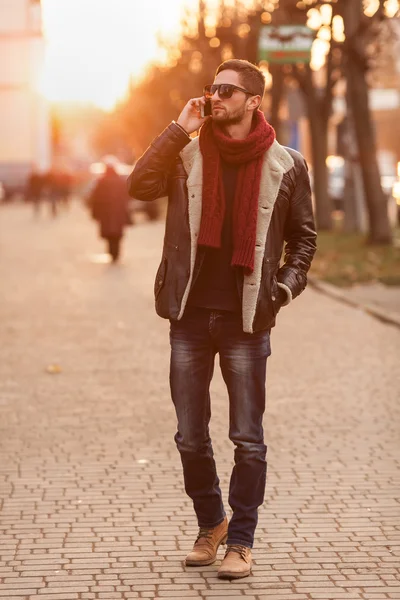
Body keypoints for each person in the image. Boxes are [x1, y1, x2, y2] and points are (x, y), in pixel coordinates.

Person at [127, 59, 317, 579]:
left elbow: (304, 239)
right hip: (189, 316)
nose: (216, 97)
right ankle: (210, 524)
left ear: (254, 101)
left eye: (228, 90)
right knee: (190, 435)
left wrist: (283, 288)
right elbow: (139, 186)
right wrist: (176, 128)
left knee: (247, 437)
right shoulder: (187, 155)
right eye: (212, 88)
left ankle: (241, 541)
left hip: (246, 321)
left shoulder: (288, 163)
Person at [89, 156, 132, 263]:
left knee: (110, 234)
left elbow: (95, 198)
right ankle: (115, 253)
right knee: (117, 233)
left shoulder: (101, 181)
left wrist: (95, 212)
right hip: (118, 211)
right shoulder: (120, 181)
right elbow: (128, 195)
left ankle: (112, 253)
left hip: (106, 213)